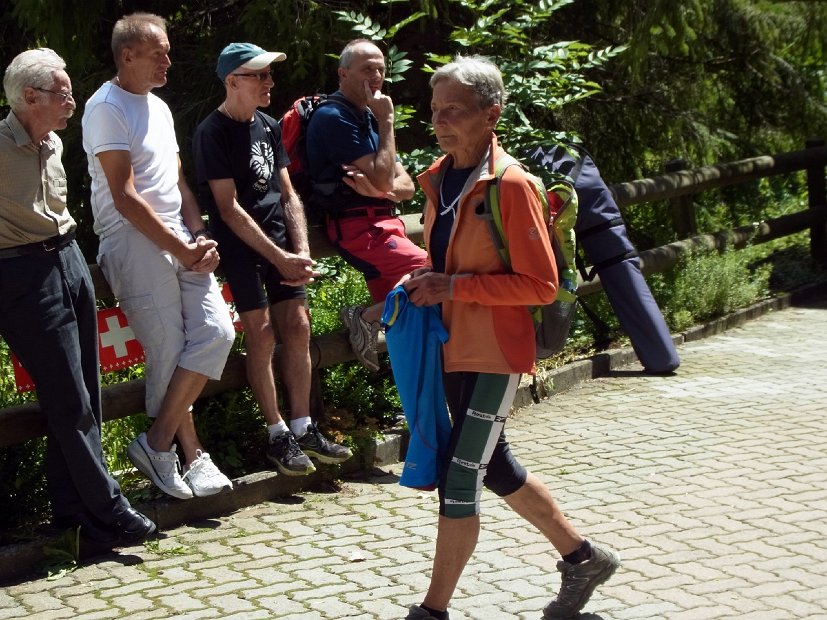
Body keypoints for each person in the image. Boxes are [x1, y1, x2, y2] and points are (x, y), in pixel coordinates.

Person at [400, 56, 620, 620]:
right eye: (435, 109)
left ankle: (432, 611)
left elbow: (541, 285)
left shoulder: (512, 184)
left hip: (495, 352)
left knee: (460, 476)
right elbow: (449, 258)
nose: (440, 120)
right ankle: (584, 559)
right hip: (451, 346)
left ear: (490, 114)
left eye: (454, 110)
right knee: (493, 466)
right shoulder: (440, 176)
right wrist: (427, 278)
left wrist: (453, 285)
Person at [0, 48, 155, 545]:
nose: (72, 101)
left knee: (85, 389)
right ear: (30, 97)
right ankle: (110, 507)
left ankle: (73, 514)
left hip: (69, 258)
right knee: (69, 397)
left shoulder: (52, 143)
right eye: (62, 93)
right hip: (22, 274)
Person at [82, 13, 236, 500]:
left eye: (167, 52)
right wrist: (182, 248)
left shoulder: (161, 108)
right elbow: (125, 197)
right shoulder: (105, 108)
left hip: (178, 237)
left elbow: (179, 184)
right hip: (129, 236)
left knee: (218, 332)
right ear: (127, 55)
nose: (168, 60)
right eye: (159, 53)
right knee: (169, 347)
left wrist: (199, 236)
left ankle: (156, 443)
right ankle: (190, 455)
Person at [191, 42, 352, 475]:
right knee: (261, 337)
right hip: (241, 250)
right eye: (259, 75)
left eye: (268, 74)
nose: (269, 82)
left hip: (281, 245)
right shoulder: (212, 133)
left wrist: (300, 252)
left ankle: (304, 426)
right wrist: (280, 256)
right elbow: (228, 208)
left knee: (298, 327)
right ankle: (276, 434)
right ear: (232, 81)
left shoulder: (268, 125)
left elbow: (287, 193)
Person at [305, 39, 427, 371]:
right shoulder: (333, 117)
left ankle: (415, 397)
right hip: (360, 230)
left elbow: (406, 187)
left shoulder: (369, 117)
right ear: (343, 74)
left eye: (380, 69)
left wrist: (379, 189)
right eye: (366, 69)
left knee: (406, 323)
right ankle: (365, 317)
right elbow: (388, 179)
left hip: (384, 224)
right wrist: (387, 123)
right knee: (435, 271)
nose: (375, 76)